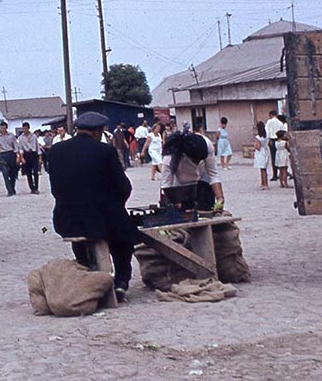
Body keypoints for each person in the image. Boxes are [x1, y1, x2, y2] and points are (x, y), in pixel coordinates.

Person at [47, 112, 139, 301]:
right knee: (125, 238)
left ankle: (86, 268)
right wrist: (115, 205)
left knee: (82, 235)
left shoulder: (55, 151)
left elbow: (56, 189)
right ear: (98, 131)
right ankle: (121, 281)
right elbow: (123, 187)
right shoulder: (105, 151)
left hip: (66, 219)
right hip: (100, 219)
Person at [160, 131, 209, 211]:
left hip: (199, 187)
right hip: (178, 190)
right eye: (195, 161)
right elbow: (166, 185)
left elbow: (212, 174)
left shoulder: (204, 147)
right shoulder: (169, 159)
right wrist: (175, 202)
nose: (197, 163)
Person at [0, 122, 20, 196]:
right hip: (2, 155)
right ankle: (9, 191)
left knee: (12, 173)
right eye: (1, 128)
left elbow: (15, 146)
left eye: (4, 128)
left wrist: (18, 156)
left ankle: (12, 188)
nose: (2, 129)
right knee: (5, 173)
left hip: (11, 154)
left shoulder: (11, 136)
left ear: (6, 128)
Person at [18, 122, 42, 194]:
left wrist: (40, 158)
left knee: (35, 172)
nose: (24, 130)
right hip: (26, 154)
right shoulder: (21, 138)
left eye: (26, 128)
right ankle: (32, 188)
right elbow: (21, 149)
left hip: (33, 154)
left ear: (28, 128)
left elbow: (38, 147)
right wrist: (22, 158)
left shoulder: (34, 137)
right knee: (28, 173)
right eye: (23, 128)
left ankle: (36, 187)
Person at [265, 110, 284, 181]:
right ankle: (282, 173)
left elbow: (267, 132)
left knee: (274, 158)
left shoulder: (269, 122)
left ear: (271, 115)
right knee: (280, 157)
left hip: (272, 140)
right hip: (279, 140)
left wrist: (269, 140)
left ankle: (275, 175)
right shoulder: (280, 123)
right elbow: (283, 132)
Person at [253, 121, 270, 190]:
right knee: (264, 168)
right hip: (265, 150)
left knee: (262, 169)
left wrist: (255, 145)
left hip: (260, 152)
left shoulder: (258, 137)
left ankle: (265, 184)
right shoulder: (266, 136)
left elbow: (258, 147)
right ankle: (264, 183)